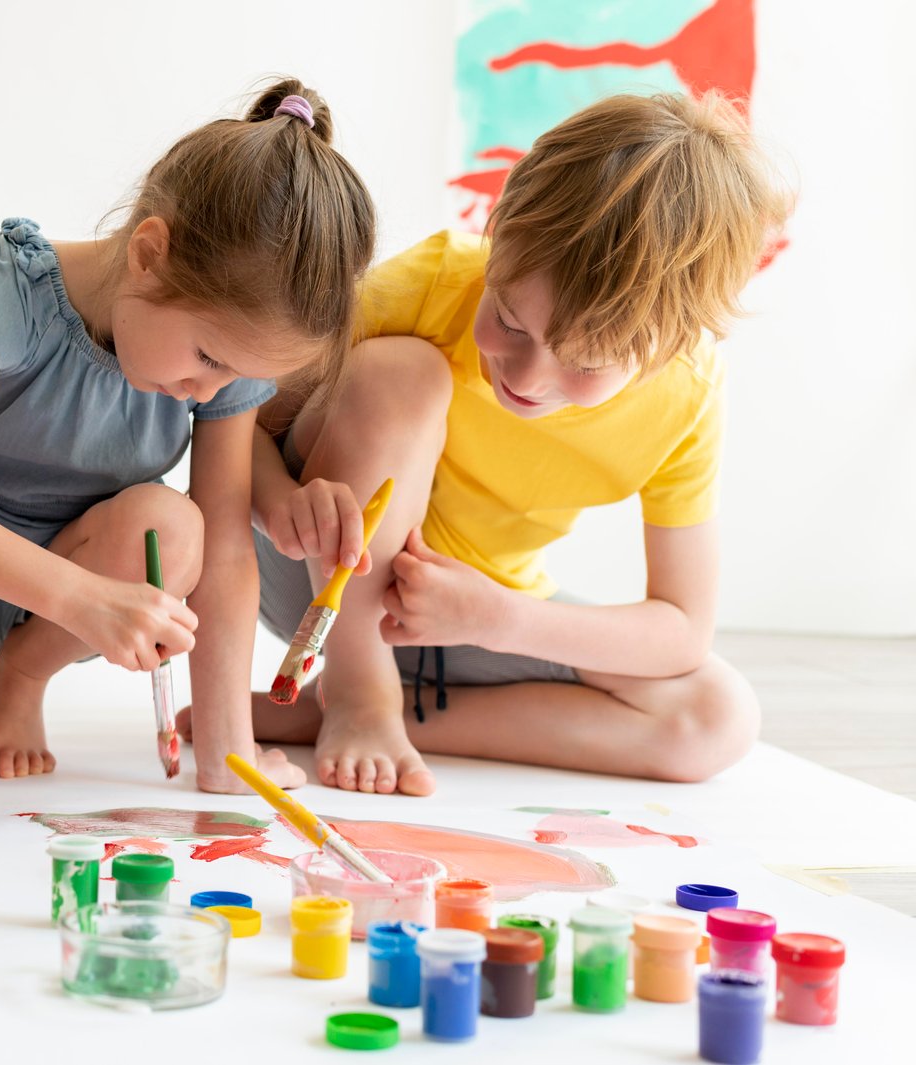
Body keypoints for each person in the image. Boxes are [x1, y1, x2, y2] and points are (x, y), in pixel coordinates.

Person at [0, 80, 375, 794]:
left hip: (88, 596)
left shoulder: (217, 366)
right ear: (148, 252)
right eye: (209, 358)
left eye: (239, 375)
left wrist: (227, 748)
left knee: (177, 526)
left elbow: (228, 552)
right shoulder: (11, 287)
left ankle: (23, 676)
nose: (211, 391)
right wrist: (77, 596)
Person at [244, 92, 792, 794]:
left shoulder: (688, 396)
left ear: (671, 343)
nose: (528, 378)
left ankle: (370, 714)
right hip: (320, 581)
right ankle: (358, 691)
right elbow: (238, 419)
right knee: (401, 371)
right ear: (497, 232)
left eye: (586, 362)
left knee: (719, 716)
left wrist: (497, 617)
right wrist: (279, 501)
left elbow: (683, 628)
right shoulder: (435, 280)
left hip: (466, 615)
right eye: (508, 320)